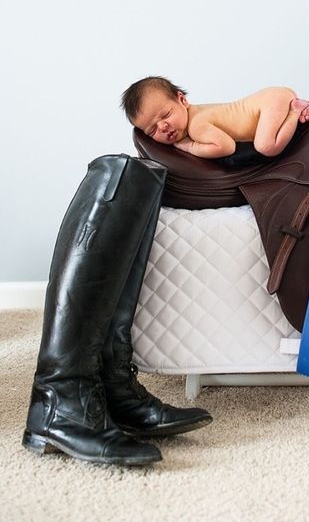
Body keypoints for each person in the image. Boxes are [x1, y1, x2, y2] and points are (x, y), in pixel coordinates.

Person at [23, 155, 213, 466]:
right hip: (59, 396)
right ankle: (63, 397)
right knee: (125, 177)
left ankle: (113, 388)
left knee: (140, 182)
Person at [121, 76, 309, 158]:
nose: (163, 127)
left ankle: (294, 111)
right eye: (152, 130)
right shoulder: (199, 111)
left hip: (270, 101)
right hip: (270, 99)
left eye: (166, 115)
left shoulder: (197, 125)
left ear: (182, 100)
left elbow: (226, 147)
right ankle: (298, 116)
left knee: (266, 146)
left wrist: (189, 146)